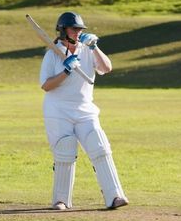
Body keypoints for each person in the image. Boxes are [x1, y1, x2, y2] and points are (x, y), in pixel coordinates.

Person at [39, 11, 128, 210]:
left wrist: (95, 47)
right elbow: (46, 85)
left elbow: (106, 68)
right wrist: (66, 71)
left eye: (80, 29)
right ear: (63, 30)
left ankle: (115, 196)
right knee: (65, 150)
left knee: (100, 146)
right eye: (74, 29)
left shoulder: (87, 49)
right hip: (58, 111)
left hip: (85, 109)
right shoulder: (52, 54)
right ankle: (61, 200)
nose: (78, 32)